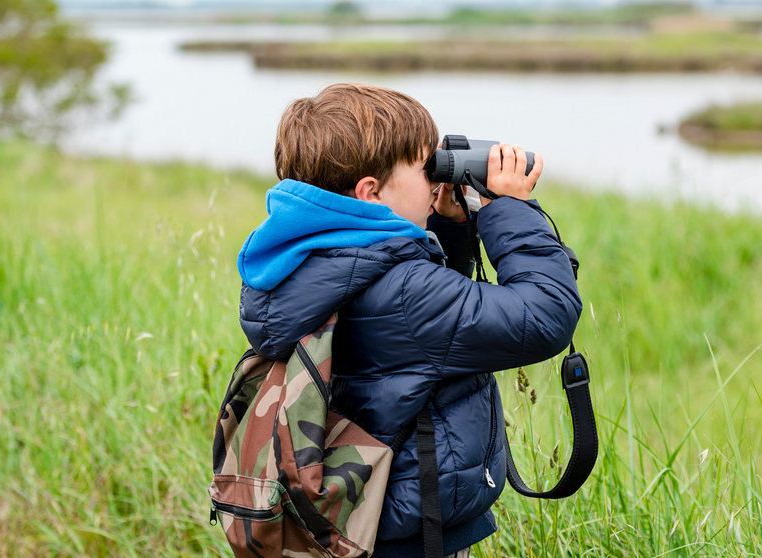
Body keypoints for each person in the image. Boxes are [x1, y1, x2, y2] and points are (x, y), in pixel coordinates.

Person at [236, 82, 581, 557]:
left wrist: (451, 230)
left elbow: (421, 337)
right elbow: (546, 314)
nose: (437, 181)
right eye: (426, 170)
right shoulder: (407, 290)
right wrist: (511, 211)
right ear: (371, 192)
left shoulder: (305, 264)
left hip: (356, 518)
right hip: (414, 535)